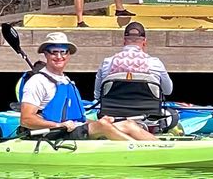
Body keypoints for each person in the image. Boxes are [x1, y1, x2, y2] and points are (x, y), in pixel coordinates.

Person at [20, 32, 156, 141]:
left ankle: (160, 148)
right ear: (45, 54)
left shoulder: (66, 80)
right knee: (103, 126)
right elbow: (26, 119)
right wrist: (57, 125)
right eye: (54, 52)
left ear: (68, 54)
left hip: (73, 129)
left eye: (63, 52)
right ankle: (137, 151)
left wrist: (98, 121)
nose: (59, 56)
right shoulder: (37, 82)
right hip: (54, 133)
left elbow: (79, 119)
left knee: (128, 124)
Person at [94, 22, 172, 100]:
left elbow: (97, 95)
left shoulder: (107, 63)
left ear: (124, 41)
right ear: (144, 42)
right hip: (148, 110)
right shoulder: (156, 64)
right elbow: (167, 91)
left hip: (112, 110)